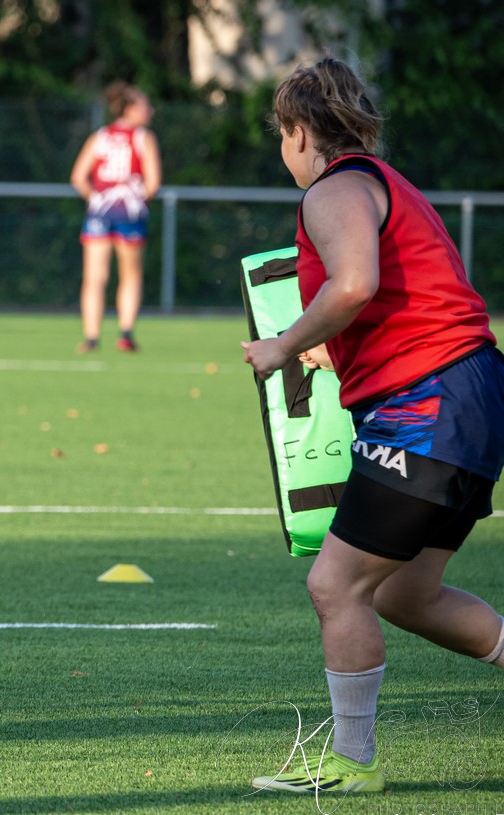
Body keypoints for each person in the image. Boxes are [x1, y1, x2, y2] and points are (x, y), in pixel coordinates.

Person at [242, 57, 504, 794]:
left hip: (427, 404)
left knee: (335, 585)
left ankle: (352, 763)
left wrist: (282, 345)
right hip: (469, 394)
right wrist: (336, 352)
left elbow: (354, 283)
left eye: (281, 135)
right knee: (403, 593)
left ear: (297, 132)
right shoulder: (390, 186)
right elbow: (396, 296)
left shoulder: (332, 189)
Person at [68, 81, 161, 353]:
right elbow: (152, 184)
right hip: (129, 213)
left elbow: (78, 177)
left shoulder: (100, 136)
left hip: (100, 212)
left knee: (95, 277)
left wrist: (97, 199)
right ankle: (125, 334)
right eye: (146, 106)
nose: (150, 111)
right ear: (130, 109)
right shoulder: (143, 137)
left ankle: (91, 337)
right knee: (130, 275)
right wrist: (134, 199)